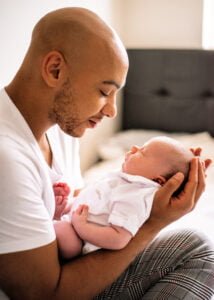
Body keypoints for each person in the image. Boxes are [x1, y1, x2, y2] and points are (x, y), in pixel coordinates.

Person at [0, 7, 213, 300]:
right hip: (56, 290)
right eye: (103, 91)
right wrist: (153, 224)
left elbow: (82, 204)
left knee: (197, 245)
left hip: (69, 263)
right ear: (55, 70)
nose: (111, 111)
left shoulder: (61, 130)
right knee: (200, 256)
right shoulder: (6, 157)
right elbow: (45, 294)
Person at [53, 136, 194, 258]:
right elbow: (96, 206)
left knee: (58, 229)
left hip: (83, 244)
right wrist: (66, 206)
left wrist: (82, 227)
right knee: (55, 223)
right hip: (75, 226)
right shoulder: (124, 179)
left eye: (143, 152)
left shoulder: (136, 196)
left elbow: (118, 238)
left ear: (158, 181)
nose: (134, 148)